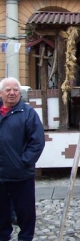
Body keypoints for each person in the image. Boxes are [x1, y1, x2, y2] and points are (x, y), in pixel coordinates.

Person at [0, 77, 45, 241]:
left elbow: (37, 142)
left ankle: (25, 238)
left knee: (25, 211)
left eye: (15, 90)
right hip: (0, 175)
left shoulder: (28, 113)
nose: (12, 93)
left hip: (21, 174)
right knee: (1, 211)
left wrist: (23, 162)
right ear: (1, 93)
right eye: (8, 90)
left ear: (20, 93)